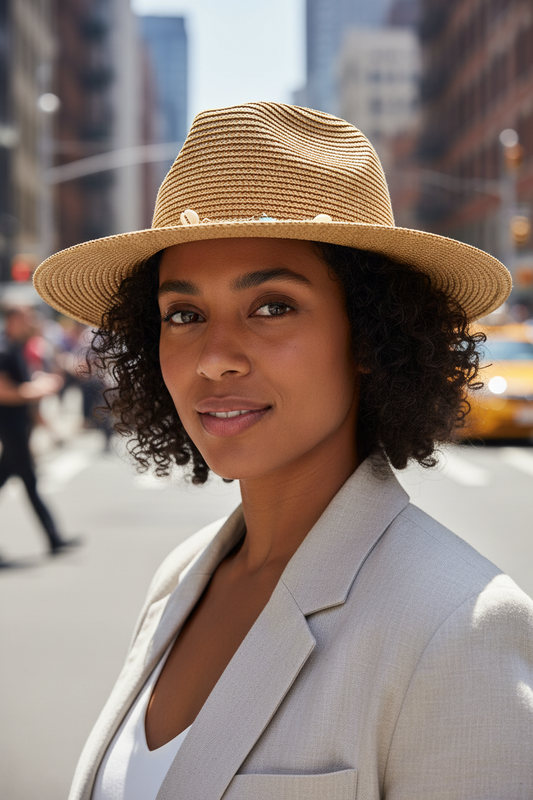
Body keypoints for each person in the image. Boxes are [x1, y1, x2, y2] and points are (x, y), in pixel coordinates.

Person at [34, 103, 533, 799]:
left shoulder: (458, 627)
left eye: (272, 305)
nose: (214, 359)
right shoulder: (181, 576)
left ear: (367, 334)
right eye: (183, 314)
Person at [0, 306, 78, 555]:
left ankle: (54, 538)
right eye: (25, 316)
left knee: (22, 481)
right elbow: (4, 391)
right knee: (30, 483)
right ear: (12, 319)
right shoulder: (3, 349)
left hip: (19, 426)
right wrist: (40, 389)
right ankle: (53, 538)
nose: (30, 321)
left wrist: (42, 417)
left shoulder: (15, 347)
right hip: (10, 428)